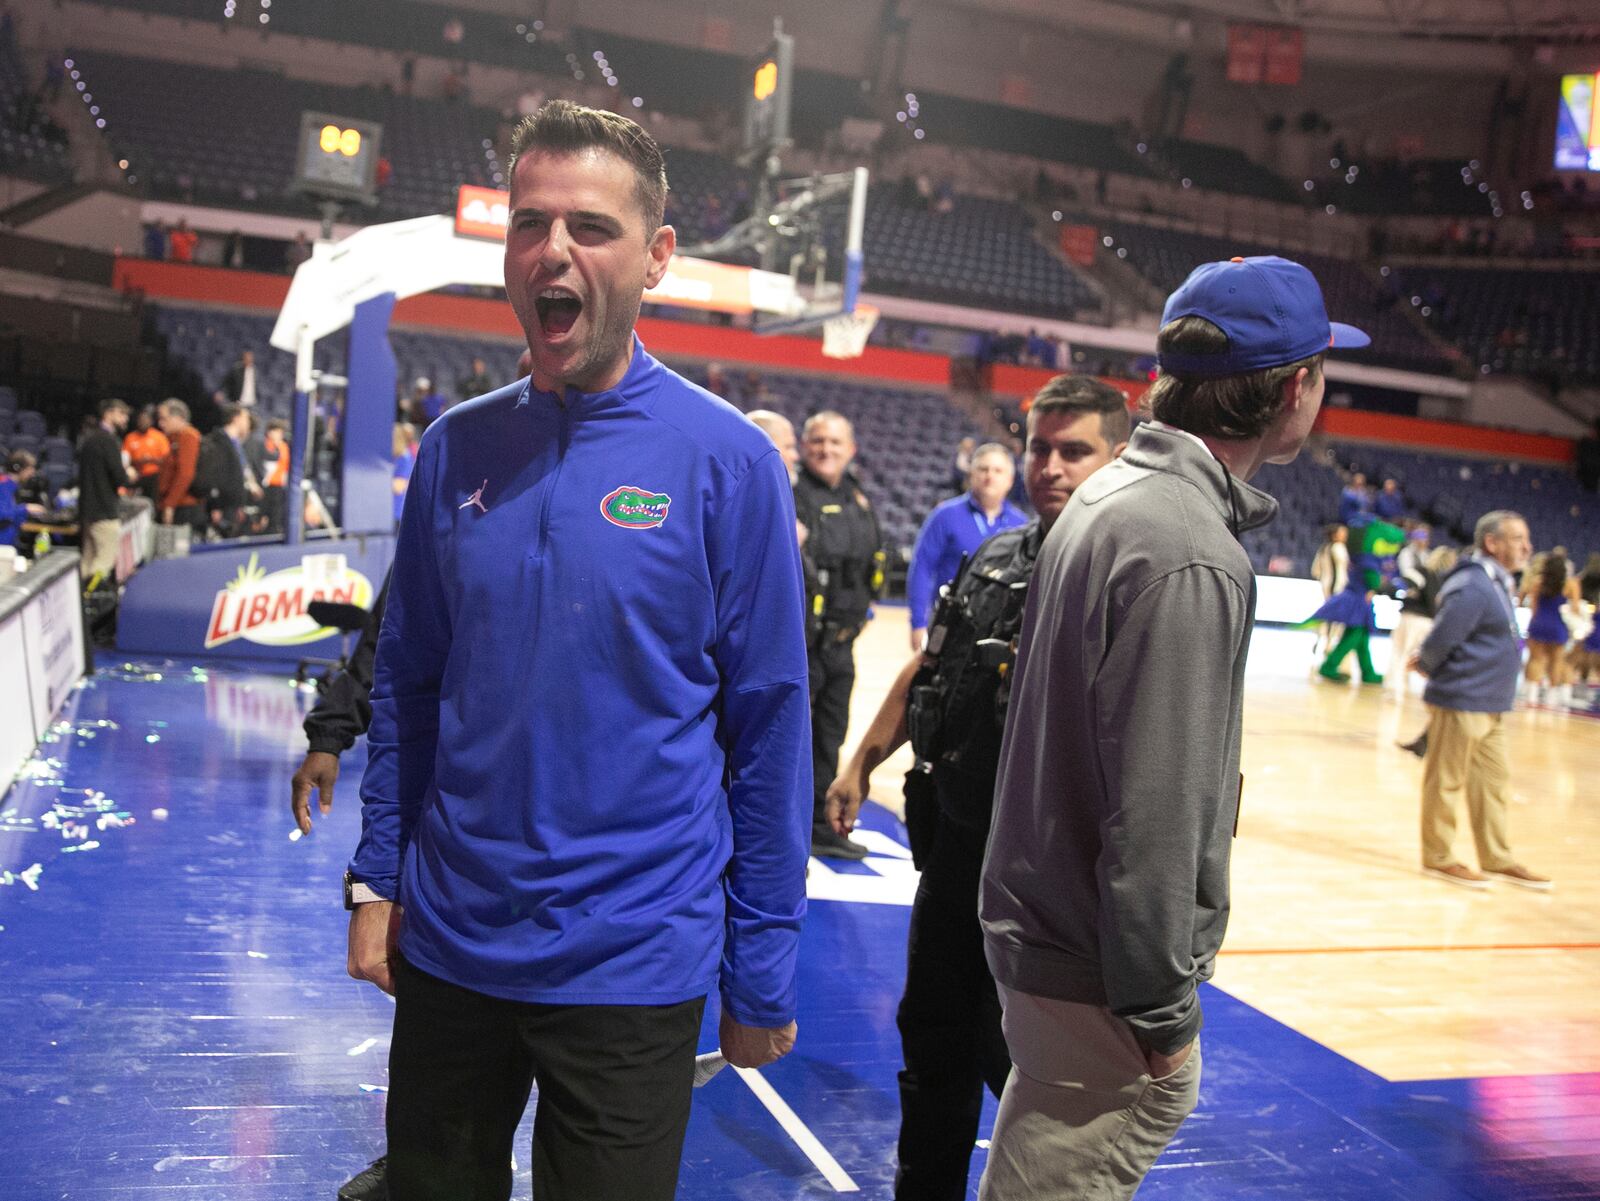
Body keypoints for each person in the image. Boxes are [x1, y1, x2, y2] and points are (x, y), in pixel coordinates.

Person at [345, 99, 809, 1201]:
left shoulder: (729, 464)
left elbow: (770, 728)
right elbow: (406, 681)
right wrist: (375, 877)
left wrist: (764, 960)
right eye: (528, 222)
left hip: (633, 963)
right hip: (452, 945)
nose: (552, 251)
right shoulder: (459, 444)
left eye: (590, 228)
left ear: (655, 259)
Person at [980, 255, 1368, 1201]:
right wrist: (1163, 1014)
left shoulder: (1111, 498)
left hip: (1047, 940)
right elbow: (1153, 813)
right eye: (1320, 370)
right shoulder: (1190, 548)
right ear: (1292, 388)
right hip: (1100, 975)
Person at [826, 376, 1129, 1201]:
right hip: (957, 860)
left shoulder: (1128, 577)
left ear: (1119, 456)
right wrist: (863, 760)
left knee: (1033, 1079)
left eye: (1076, 450)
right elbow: (933, 667)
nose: (1051, 467)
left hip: (1048, 891)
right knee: (933, 1052)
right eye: (1040, 447)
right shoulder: (998, 555)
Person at [290, 572, 393, 1201]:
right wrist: (330, 732)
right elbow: (387, 645)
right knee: (437, 994)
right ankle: (419, 1153)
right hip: (460, 814)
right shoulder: (452, 497)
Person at [1411, 511, 1550, 891]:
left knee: (1493, 784)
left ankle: (1497, 857)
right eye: (1518, 538)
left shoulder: (1497, 582)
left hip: (1492, 704)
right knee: (1447, 781)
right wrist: (1427, 663)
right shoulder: (1473, 583)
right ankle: (1439, 857)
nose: (1527, 547)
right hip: (1463, 698)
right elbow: (1444, 635)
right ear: (1492, 542)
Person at [794, 409, 885, 860]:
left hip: (843, 644)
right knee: (793, 740)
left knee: (831, 735)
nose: (826, 450)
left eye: (835, 443)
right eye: (817, 442)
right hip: (802, 645)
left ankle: (816, 824)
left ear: (851, 450)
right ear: (804, 447)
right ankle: (782, 831)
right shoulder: (792, 497)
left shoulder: (858, 498)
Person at [906, 443, 1028, 653]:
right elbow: (922, 568)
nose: (990, 476)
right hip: (949, 624)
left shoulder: (1022, 524)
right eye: (983, 469)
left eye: (998, 471)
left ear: (1010, 480)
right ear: (971, 474)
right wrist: (918, 623)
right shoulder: (945, 515)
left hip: (1000, 632)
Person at [1390, 544, 1458, 697]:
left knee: (1399, 654)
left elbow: (1400, 584)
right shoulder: (1450, 581)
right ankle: (1432, 692)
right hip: (1427, 621)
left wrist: (1381, 590)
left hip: (1408, 617)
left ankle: (1395, 690)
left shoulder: (1421, 571)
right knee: (1427, 658)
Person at [77, 398, 131, 585]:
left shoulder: (88, 438)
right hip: (104, 510)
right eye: (122, 414)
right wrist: (129, 474)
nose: (125, 419)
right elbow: (119, 477)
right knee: (104, 561)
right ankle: (91, 602)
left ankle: (80, 600)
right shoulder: (108, 441)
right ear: (109, 413)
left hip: (87, 510)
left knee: (88, 559)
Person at [1519, 547, 1582, 708]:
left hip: (1538, 623)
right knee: (1556, 661)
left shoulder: (1537, 582)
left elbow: (1533, 606)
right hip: (1558, 625)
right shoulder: (1570, 584)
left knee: (1535, 659)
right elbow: (1575, 608)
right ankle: (1551, 697)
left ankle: (1531, 696)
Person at [155, 399, 204, 529]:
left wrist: (170, 505)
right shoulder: (174, 439)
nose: (160, 424)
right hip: (177, 505)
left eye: (164, 419)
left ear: (178, 418)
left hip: (183, 508)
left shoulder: (188, 436)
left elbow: (185, 474)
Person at [1309, 524, 1349, 655]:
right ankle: (1328, 644)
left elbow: (1315, 570)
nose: (1345, 534)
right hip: (1337, 586)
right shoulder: (1338, 548)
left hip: (1326, 584)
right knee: (1334, 616)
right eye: (1342, 532)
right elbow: (1344, 568)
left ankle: (1319, 638)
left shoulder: (1323, 548)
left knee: (1326, 613)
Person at [0, 450, 47, 548]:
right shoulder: (4, 485)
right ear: (18, 468)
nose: (32, 472)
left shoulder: (12, 486)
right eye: (30, 468)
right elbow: (2, 513)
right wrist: (26, 508)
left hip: (9, 544)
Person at [123, 405, 169, 503]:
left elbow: (166, 460)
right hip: (136, 476)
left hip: (154, 477)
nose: (143, 422)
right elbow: (125, 459)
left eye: (146, 419)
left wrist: (151, 460)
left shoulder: (159, 437)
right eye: (141, 420)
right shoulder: (130, 437)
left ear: (151, 421)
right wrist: (139, 461)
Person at [261, 418, 289, 533]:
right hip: (266, 486)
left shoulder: (284, 447)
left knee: (276, 517)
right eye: (276, 431)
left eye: (280, 432)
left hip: (279, 486)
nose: (279, 434)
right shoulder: (264, 445)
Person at [391, 421, 416, 528]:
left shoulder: (404, 458)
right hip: (387, 511)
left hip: (397, 512)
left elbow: (399, 486)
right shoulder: (392, 457)